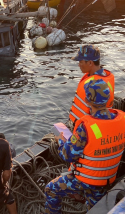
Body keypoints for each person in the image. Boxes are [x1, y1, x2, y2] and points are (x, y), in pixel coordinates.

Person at [44, 79, 125, 214]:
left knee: (50, 189)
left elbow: (67, 155)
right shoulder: (122, 120)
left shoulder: (86, 127)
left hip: (86, 181)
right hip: (106, 179)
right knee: (93, 206)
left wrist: (60, 140)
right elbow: (102, 138)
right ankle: (86, 200)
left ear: (87, 101)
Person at [69, 44, 114, 126]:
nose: (79, 65)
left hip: (84, 128)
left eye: (81, 62)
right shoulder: (106, 77)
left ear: (90, 63)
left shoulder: (92, 85)